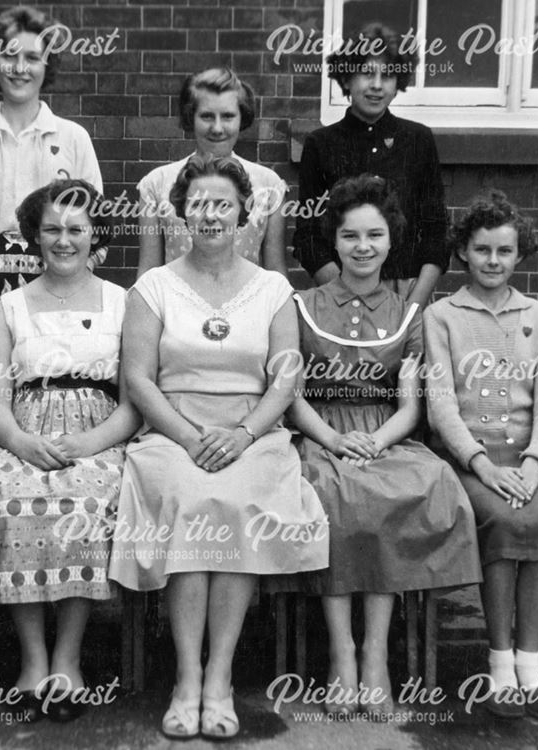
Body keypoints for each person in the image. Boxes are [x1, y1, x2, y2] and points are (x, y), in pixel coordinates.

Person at [109, 155, 328, 739]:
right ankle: (186, 677)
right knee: (185, 496)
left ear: (243, 213)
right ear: (181, 212)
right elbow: (138, 378)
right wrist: (187, 435)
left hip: (251, 431)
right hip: (171, 430)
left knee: (235, 501)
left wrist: (244, 434)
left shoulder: (274, 289)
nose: (210, 215)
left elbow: (285, 377)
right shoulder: (152, 287)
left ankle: (220, 677)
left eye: (222, 204)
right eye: (199, 204)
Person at [289, 175, 480, 715]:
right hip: (320, 430)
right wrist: (331, 438)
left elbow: (412, 406)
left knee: (412, 487)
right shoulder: (302, 305)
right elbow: (292, 395)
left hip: (384, 432)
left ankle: (375, 652)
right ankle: (341, 653)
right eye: (350, 236)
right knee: (327, 498)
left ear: (392, 240)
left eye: (374, 235)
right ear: (335, 241)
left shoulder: (407, 313)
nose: (363, 247)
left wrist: (373, 440)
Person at [0, 179, 138, 723]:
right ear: (34, 235)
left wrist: (92, 442)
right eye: (52, 229)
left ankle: (67, 657)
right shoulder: (9, 307)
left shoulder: (123, 303)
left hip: (99, 430)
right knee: (17, 502)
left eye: (76, 229)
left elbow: (136, 399)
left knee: (83, 505)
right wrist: (20, 441)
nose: (64, 240)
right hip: (25, 431)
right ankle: (32, 658)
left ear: (96, 235)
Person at [424, 190, 538, 721]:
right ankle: (498, 665)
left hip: (529, 463)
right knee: (502, 520)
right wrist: (483, 466)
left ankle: (529, 665)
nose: (493, 261)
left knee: (537, 518)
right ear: (464, 252)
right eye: (483, 249)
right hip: (471, 463)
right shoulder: (442, 315)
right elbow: (441, 403)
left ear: (519, 255)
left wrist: (534, 464)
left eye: (505, 251)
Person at [0, 5, 103, 306]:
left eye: (31, 58)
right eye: (9, 55)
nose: (19, 68)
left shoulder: (74, 138)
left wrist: (69, 284)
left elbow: (95, 229)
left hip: (59, 287)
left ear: (47, 65)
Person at [292, 22, 447, 309]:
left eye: (388, 75)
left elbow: (436, 233)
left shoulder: (418, 140)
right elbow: (308, 237)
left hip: (408, 290)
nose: (377, 85)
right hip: (339, 291)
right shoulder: (321, 143)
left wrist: (412, 307)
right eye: (366, 73)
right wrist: (347, 294)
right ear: (347, 78)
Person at [135, 67, 288, 277]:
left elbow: (276, 272)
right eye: (207, 116)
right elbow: (148, 272)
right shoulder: (157, 183)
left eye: (227, 116)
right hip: (177, 306)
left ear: (241, 118)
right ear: (191, 117)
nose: (217, 128)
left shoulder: (269, 185)